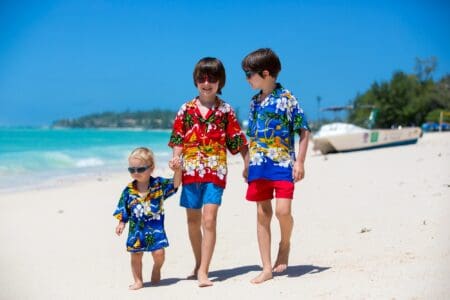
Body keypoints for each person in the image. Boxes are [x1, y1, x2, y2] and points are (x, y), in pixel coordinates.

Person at [168, 57, 248, 287]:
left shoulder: (225, 110)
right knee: (193, 222)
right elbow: (178, 139)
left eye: (212, 78)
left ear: (220, 81)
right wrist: (176, 158)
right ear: (195, 81)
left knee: (209, 220)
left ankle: (204, 270)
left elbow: (238, 141)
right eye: (202, 78)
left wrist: (247, 163)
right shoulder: (186, 109)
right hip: (190, 172)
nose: (206, 83)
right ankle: (198, 262)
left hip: (215, 172)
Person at [241, 48, 310, 284]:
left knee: (283, 211)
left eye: (249, 74)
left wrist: (300, 161)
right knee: (262, 214)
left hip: (283, 164)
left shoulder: (287, 98)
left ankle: (285, 243)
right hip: (259, 165)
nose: (247, 79)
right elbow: (253, 136)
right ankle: (267, 267)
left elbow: (304, 130)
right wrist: (247, 163)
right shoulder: (253, 103)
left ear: (266, 73)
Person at [113, 147, 181, 290]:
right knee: (136, 256)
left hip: (155, 229)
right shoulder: (128, 191)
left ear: (151, 168)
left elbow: (174, 185)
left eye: (140, 169)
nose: (135, 173)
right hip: (136, 230)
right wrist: (121, 223)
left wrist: (177, 171)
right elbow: (124, 208)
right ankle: (138, 280)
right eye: (132, 170)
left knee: (159, 254)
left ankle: (157, 268)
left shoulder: (159, 185)